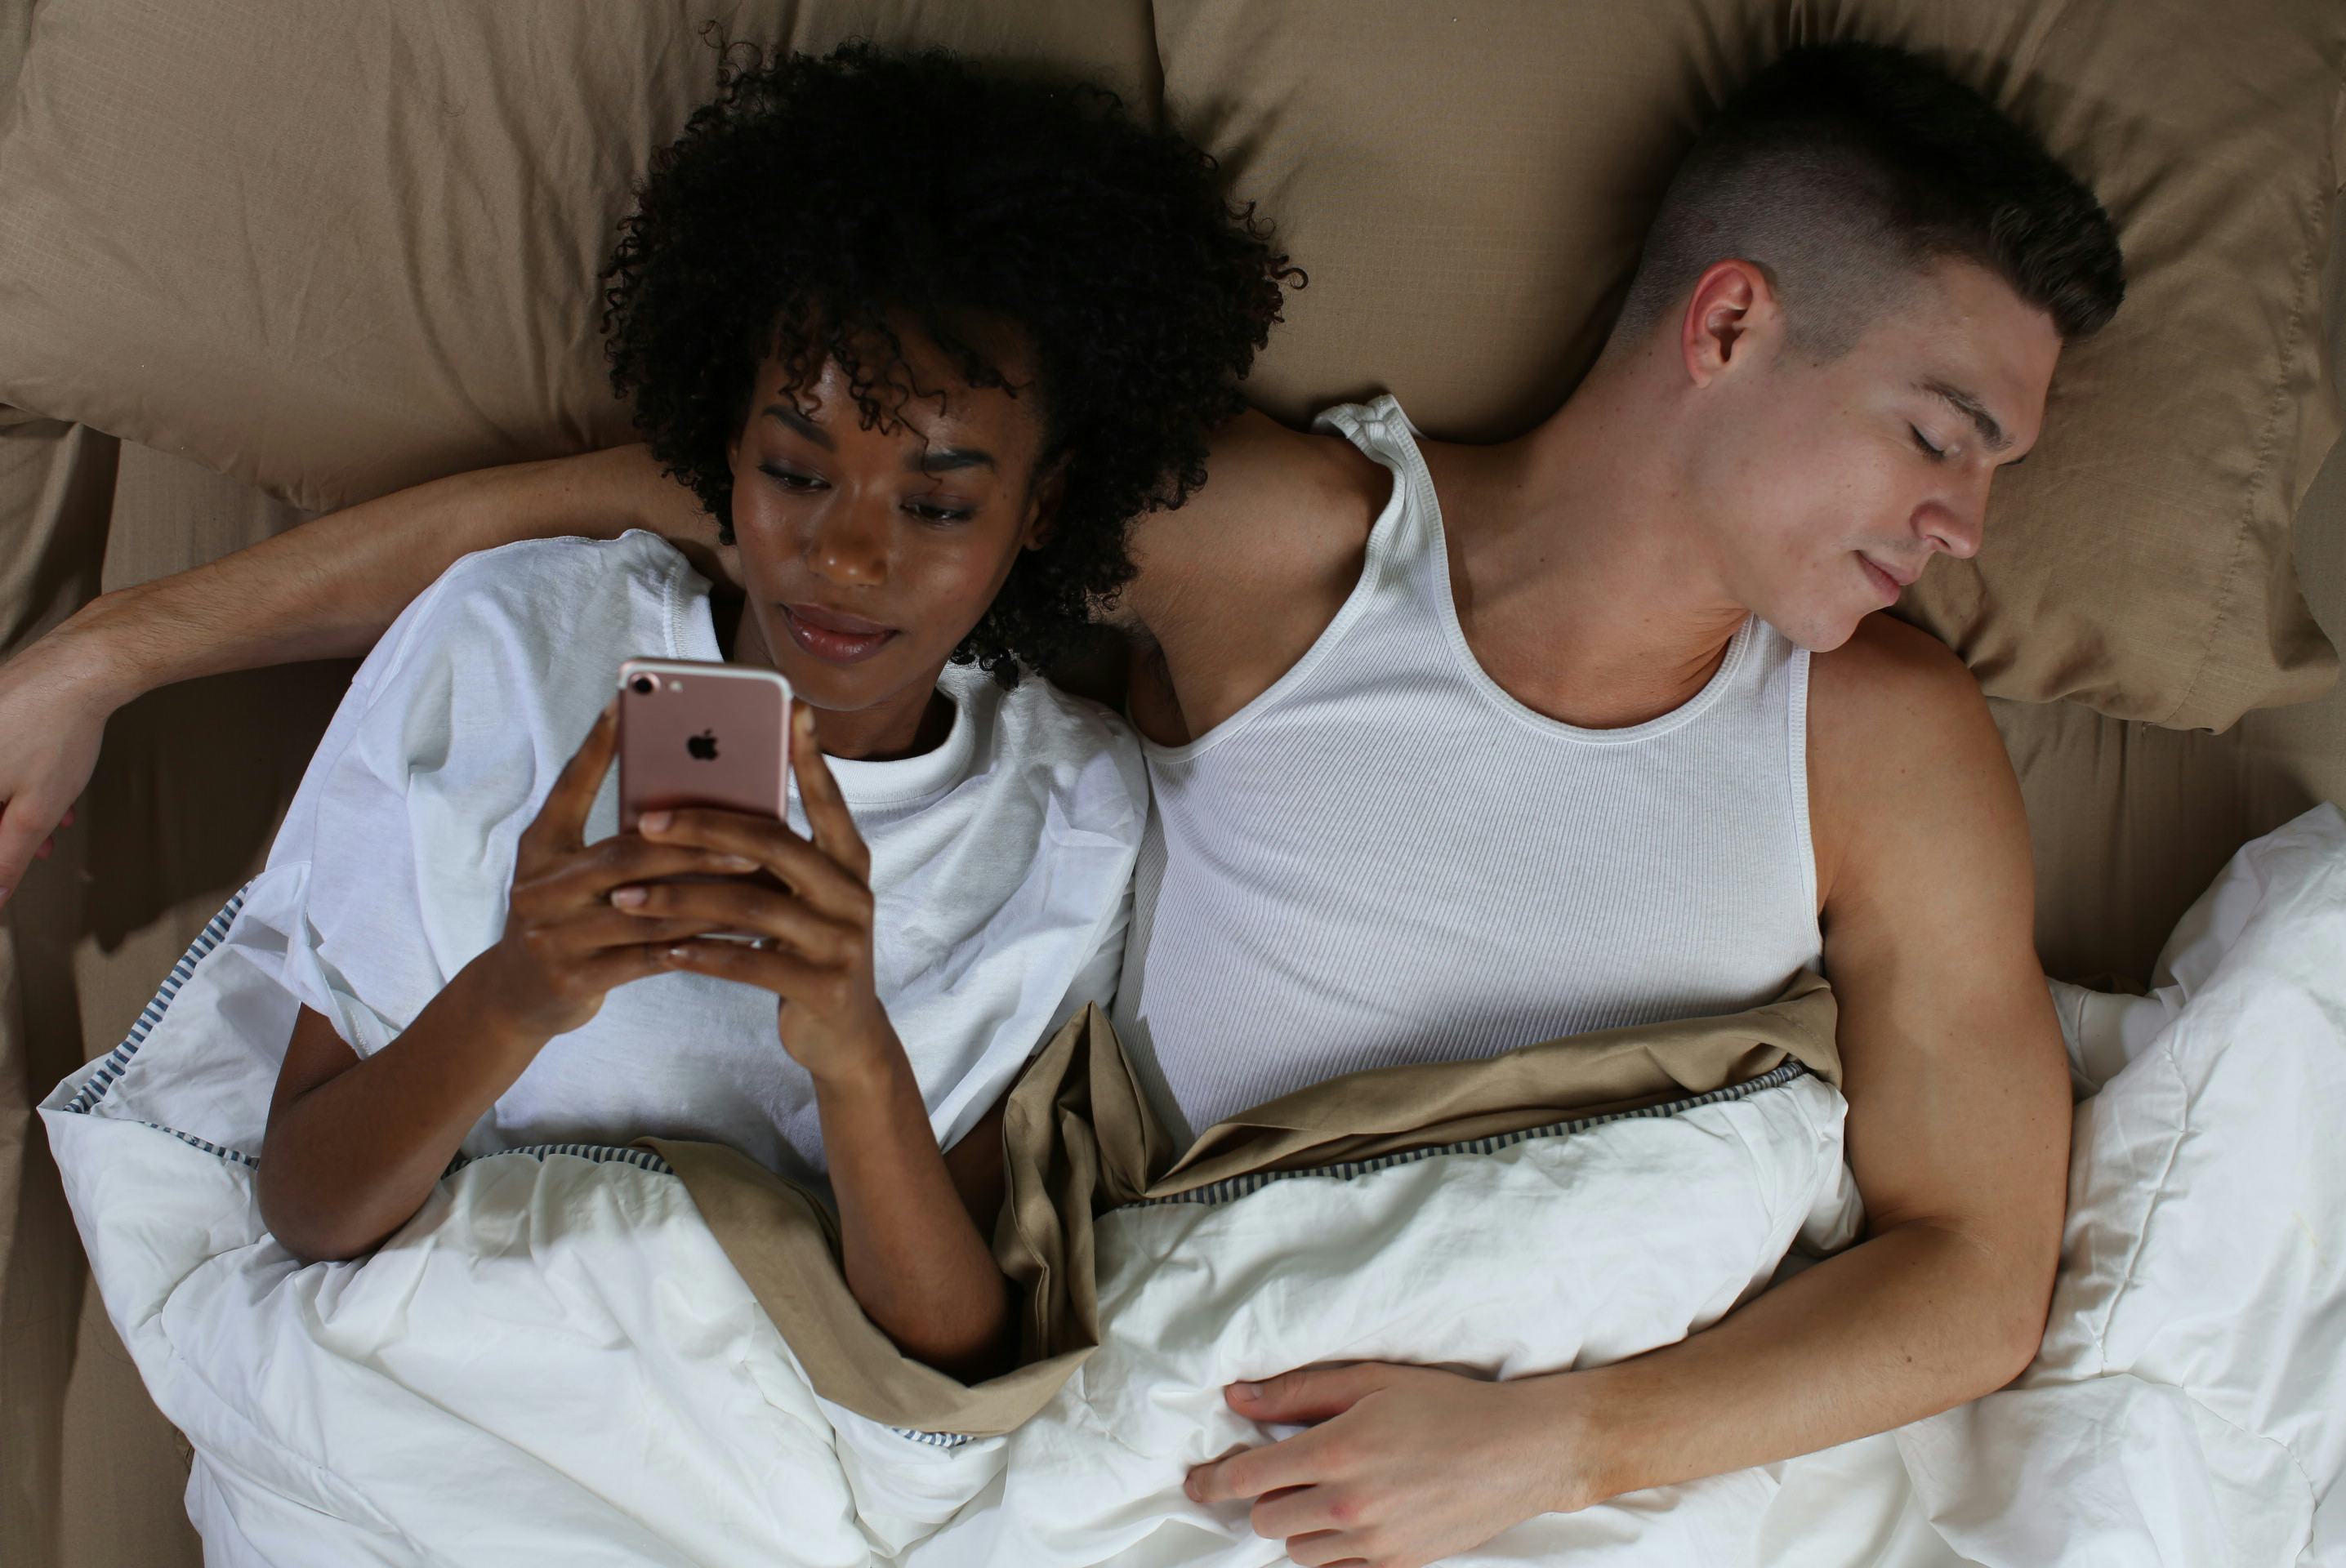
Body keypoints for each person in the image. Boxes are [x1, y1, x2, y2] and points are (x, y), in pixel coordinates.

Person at [2, 38, 2121, 1566]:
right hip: (1112, 1439)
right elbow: (759, 509)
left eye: (1996, 474)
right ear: (1733, 324)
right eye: (1945, 437)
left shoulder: (1882, 738)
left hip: (1531, 1460)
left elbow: (1974, 1274)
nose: (1965, 526)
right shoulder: (1290, 547)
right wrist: (117, 648)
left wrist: (1548, 1447)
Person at [70, 38, 1299, 1385]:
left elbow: (953, 1358)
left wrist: (853, 1052)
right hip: (437, 1407)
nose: (844, 557)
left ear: (1044, 506)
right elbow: (308, 1206)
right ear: (722, 444)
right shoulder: (509, 647)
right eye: (794, 468)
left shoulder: (1070, 818)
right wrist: (514, 995)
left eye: (940, 504)